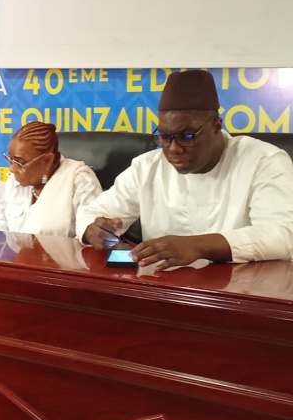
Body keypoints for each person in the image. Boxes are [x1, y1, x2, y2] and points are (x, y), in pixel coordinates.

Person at [77, 69, 293, 271]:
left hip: (241, 288)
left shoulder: (263, 161)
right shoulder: (147, 167)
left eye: (187, 136)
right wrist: (93, 230)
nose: (174, 148)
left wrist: (199, 245)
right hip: (164, 286)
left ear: (216, 126)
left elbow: (282, 235)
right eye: (165, 137)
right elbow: (92, 213)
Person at [0, 121, 102, 237]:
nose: (12, 169)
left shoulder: (80, 182)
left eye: (20, 163)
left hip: (60, 250)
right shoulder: (15, 180)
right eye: (10, 159)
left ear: (47, 161)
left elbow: (88, 236)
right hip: (14, 250)